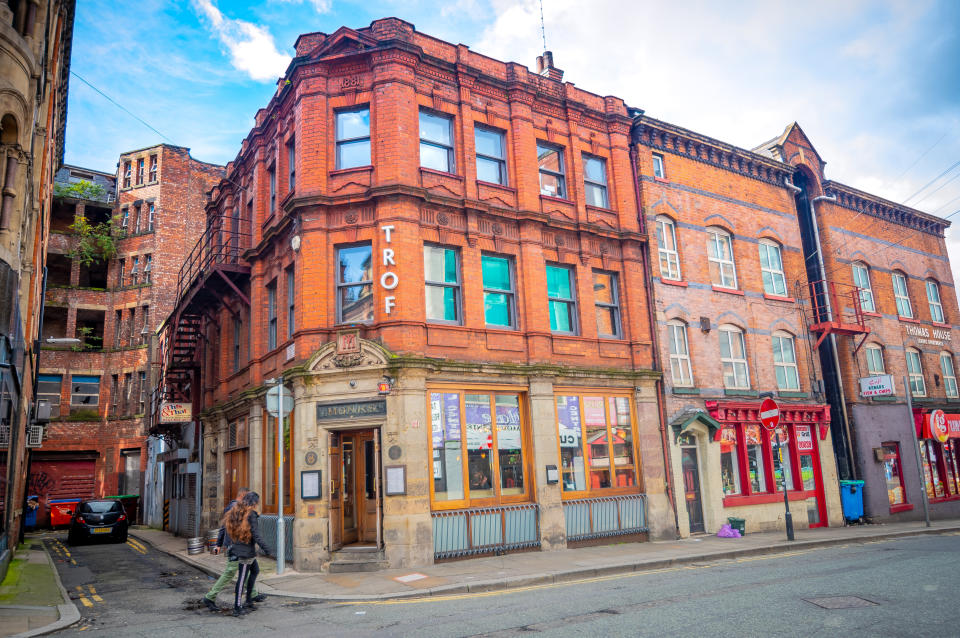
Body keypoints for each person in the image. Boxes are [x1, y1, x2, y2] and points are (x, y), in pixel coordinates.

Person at [201, 488, 266, 611]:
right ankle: (210, 597)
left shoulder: (243, 509)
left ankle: (252, 595)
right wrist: (218, 544)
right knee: (230, 572)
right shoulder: (234, 508)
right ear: (243, 496)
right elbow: (223, 527)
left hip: (243, 547)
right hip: (234, 546)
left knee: (251, 569)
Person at [223, 491, 270, 616]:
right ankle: (237, 607)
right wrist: (267, 548)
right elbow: (256, 534)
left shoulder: (238, 511)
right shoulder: (251, 515)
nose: (257, 505)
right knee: (242, 578)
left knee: (255, 571)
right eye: (257, 502)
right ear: (253, 502)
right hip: (245, 551)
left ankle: (249, 599)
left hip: (240, 547)